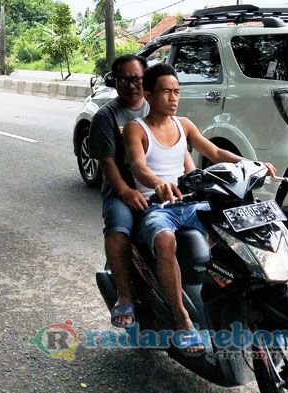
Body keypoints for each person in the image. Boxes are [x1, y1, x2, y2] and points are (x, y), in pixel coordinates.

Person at [123, 63, 277, 352]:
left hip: (189, 203)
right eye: (166, 91)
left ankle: (228, 296)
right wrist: (157, 183)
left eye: (176, 92)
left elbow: (215, 152)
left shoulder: (184, 125)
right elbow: (138, 165)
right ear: (148, 94)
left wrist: (250, 164)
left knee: (232, 225)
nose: (173, 98)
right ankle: (182, 318)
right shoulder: (136, 128)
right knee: (165, 241)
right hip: (157, 207)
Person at [88, 55, 196, 329]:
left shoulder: (162, 110)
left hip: (163, 187)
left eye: (136, 78)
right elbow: (108, 163)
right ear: (114, 82)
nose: (131, 85)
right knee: (119, 226)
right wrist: (125, 192)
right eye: (123, 79)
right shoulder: (106, 116)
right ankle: (125, 295)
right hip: (122, 187)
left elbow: (183, 152)